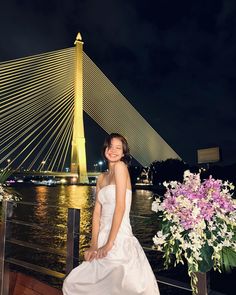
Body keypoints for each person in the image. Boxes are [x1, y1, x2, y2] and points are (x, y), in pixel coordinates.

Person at [63, 133, 160, 295]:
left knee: (120, 285)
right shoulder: (101, 177)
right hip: (102, 237)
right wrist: (94, 244)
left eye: (118, 148)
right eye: (110, 147)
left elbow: (120, 207)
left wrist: (109, 244)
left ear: (123, 153)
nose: (113, 151)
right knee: (73, 283)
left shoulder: (121, 168)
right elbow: (96, 213)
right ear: (105, 149)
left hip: (118, 238)